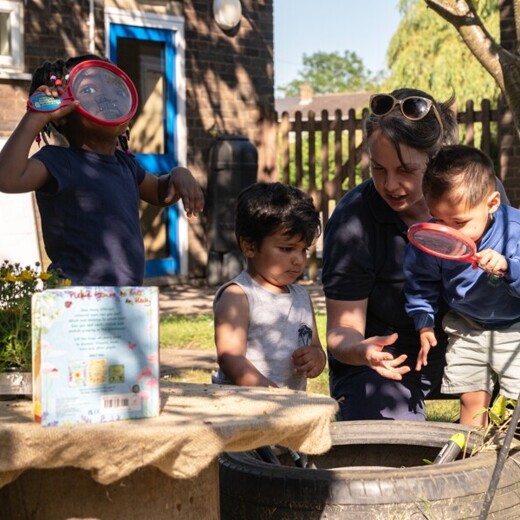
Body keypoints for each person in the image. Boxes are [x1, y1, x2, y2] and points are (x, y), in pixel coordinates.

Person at [0, 54, 204, 286]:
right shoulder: (58, 161)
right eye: (88, 90)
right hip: (75, 300)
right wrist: (35, 116)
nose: (107, 96)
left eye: (115, 90)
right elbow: (7, 178)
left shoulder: (126, 164)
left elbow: (160, 192)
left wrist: (178, 174)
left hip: (124, 299)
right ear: (61, 115)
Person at [321, 89, 459, 421]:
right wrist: (360, 350)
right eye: (378, 169)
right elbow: (343, 330)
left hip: (470, 347)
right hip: (386, 359)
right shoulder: (353, 220)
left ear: (438, 157)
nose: (391, 184)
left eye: (406, 170)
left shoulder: (475, 193)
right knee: (385, 452)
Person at [403, 144, 520, 427]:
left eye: (459, 222)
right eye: (438, 219)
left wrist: (508, 267)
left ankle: (509, 458)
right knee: (471, 398)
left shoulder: (514, 230)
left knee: (515, 401)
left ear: (491, 203)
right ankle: (470, 457)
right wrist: (425, 323)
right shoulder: (435, 239)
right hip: (466, 325)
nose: (448, 233)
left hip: (515, 327)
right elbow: (421, 281)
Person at [212, 181, 326, 390]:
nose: (298, 259)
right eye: (286, 248)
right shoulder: (238, 296)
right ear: (250, 246)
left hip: (287, 409)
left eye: (303, 250)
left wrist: (316, 358)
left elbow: (316, 347)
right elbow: (231, 358)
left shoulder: (301, 297)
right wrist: (272, 394)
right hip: (242, 410)